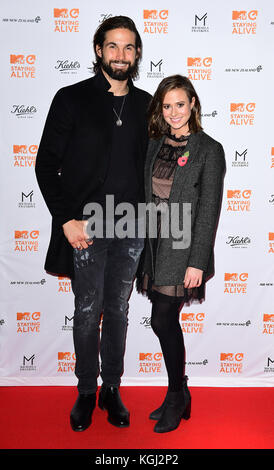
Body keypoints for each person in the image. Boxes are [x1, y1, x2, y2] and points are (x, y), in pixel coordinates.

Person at [35, 16, 151, 431]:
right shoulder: (71, 98)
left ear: (137, 54)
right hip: (86, 226)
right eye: (113, 46)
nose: (121, 55)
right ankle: (86, 389)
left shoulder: (147, 105)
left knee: (117, 310)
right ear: (99, 50)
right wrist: (65, 218)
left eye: (129, 47)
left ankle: (112, 388)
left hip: (132, 226)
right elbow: (47, 165)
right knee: (86, 311)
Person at [137, 75, 225, 433]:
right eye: (167, 105)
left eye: (180, 104)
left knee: (161, 320)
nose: (174, 112)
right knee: (164, 321)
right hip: (155, 245)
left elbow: (209, 211)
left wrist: (197, 262)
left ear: (193, 105)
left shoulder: (209, 149)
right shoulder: (154, 145)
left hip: (184, 248)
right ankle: (180, 392)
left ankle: (176, 395)